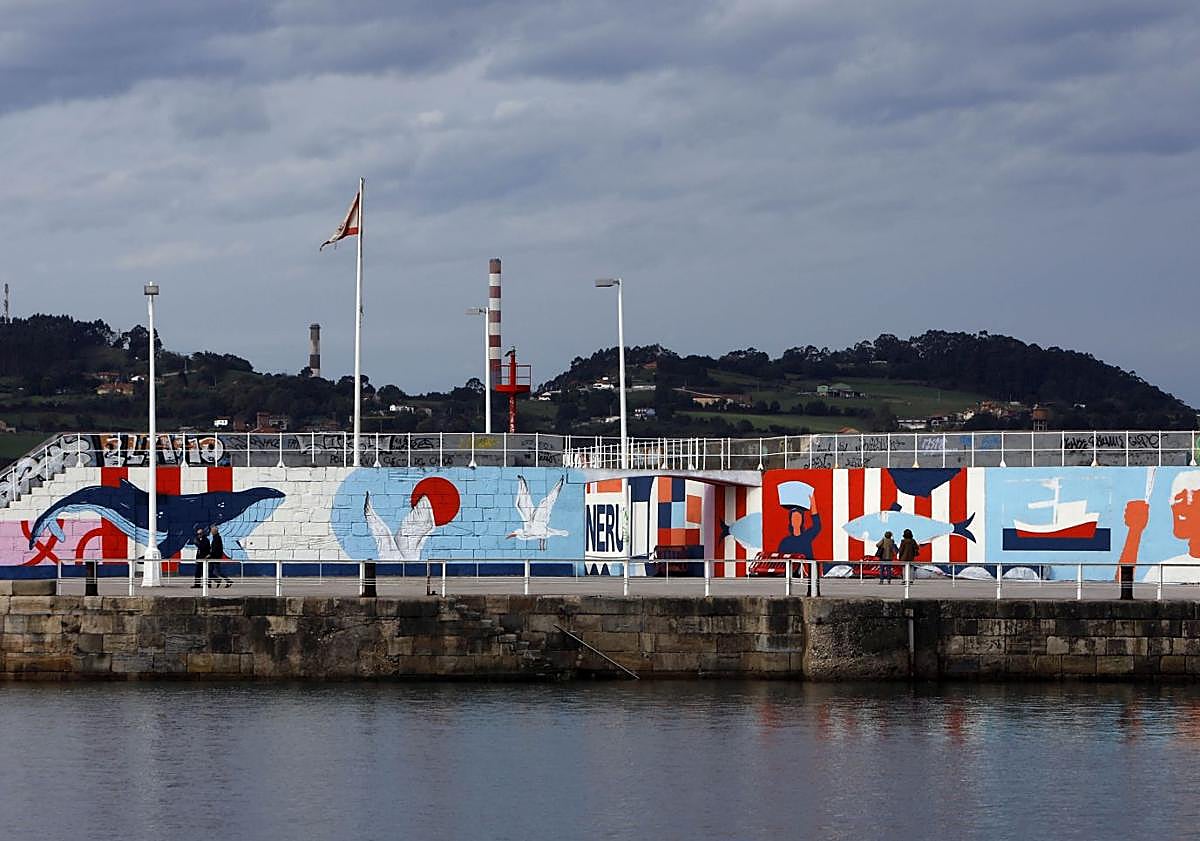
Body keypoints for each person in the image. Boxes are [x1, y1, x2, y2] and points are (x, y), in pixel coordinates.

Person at [1124, 470, 1200, 584]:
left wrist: (1134, 531)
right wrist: (1135, 530)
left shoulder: (1163, 571)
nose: (1177, 507)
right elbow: (1123, 585)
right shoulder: (1163, 571)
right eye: (1177, 499)